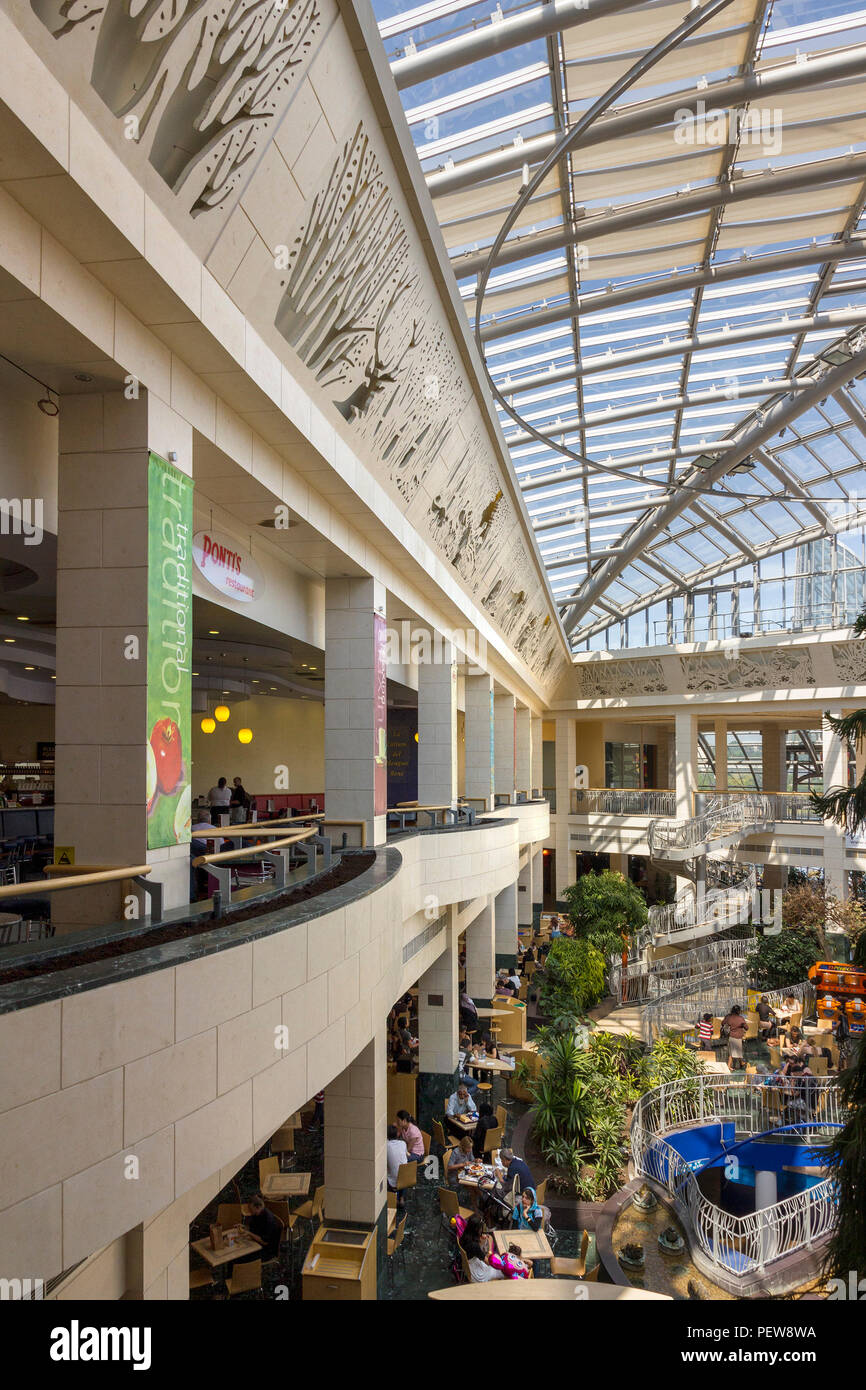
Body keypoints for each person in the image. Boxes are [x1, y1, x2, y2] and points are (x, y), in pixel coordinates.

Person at [241, 1194, 282, 1262]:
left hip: (267, 1251)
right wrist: (243, 1227)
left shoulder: (268, 1219)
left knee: (241, 1258)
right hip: (257, 1245)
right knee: (237, 1257)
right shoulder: (256, 1214)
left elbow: (265, 1242)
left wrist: (249, 1234)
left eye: (251, 1209)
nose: (249, 1211)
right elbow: (253, 1229)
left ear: (258, 1207)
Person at [722, 1004, 749, 1071]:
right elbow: (747, 1027)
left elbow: (722, 1023)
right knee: (735, 1052)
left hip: (730, 1036)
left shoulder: (729, 1017)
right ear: (739, 1011)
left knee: (734, 1051)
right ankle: (729, 1066)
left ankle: (741, 1063)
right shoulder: (741, 1019)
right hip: (738, 1036)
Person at [386, 1124, 408, 1191]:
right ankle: (401, 1198)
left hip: (392, 1182)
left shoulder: (386, 1146)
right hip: (406, 1177)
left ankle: (392, 1195)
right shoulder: (403, 1143)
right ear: (397, 1134)